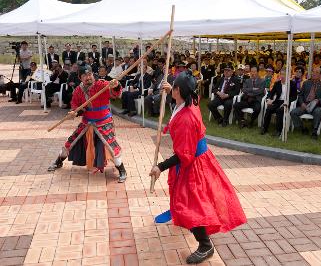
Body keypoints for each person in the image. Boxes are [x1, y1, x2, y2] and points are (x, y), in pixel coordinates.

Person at [149, 71, 246, 264]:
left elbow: (184, 154)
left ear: (179, 91)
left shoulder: (186, 118)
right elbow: (179, 108)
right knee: (195, 199)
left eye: (173, 87)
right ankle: (196, 229)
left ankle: (205, 245)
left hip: (193, 162)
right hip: (197, 158)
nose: (171, 89)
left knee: (191, 203)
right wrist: (170, 92)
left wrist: (160, 166)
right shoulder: (190, 100)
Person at [48, 66, 127, 182]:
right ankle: (58, 162)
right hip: (87, 121)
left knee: (111, 146)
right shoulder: (78, 91)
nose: (88, 77)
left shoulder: (101, 84)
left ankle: (122, 171)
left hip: (103, 121)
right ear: (80, 78)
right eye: (84, 76)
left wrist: (116, 86)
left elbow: (115, 94)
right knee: (70, 142)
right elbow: (76, 107)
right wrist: (74, 113)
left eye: (89, 74)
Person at [290, 67, 321, 140]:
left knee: (318, 112)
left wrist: (318, 100)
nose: (314, 73)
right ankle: (303, 128)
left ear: (320, 75)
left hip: (315, 106)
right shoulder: (306, 83)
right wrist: (302, 103)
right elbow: (300, 95)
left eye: (316, 72)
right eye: (313, 72)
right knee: (293, 112)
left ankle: (314, 131)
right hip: (305, 104)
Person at [261, 68, 297, 136]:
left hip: (286, 102)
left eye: (284, 74)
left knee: (279, 111)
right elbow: (271, 93)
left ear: (288, 75)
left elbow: (294, 96)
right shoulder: (277, 83)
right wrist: (269, 99)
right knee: (269, 109)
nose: (282, 76)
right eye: (281, 74)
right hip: (277, 101)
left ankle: (278, 130)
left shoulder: (292, 84)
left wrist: (287, 102)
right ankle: (264, 128)